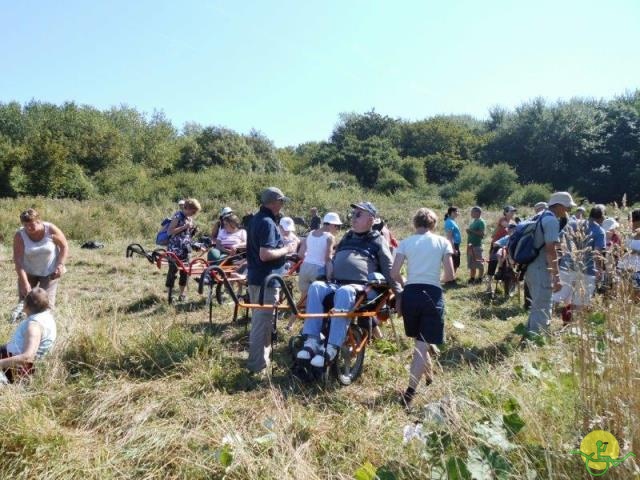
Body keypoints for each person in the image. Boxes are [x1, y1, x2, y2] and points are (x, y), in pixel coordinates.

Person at [296, 201, 401, 367]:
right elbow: (334, 258)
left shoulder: (378, 240)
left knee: (345, 291)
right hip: (337, 283)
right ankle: (312, 341)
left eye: (359, 214)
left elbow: (389, 270)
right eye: (353, 214)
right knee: (316, 287)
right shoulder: (347, 237)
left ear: (371, 219)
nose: (353, 217)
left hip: (364, 288)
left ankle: (332, 346)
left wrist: (399, 294)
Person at [390, 208, 454, 408]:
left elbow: (394, 272)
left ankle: (430, 376)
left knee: (420, 342)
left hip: (410, 294)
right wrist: (437, 280)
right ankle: (410, 392)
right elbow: (451, 274)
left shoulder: (406, 242)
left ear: (414, 223)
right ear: (434, 224)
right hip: (432, 294)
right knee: (421, 345)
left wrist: (406, 281)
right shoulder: (443, 242)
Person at [246, 187, 297, 374]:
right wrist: (287, 249)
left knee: (263, 322)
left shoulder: (255, 220)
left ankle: (261, 362)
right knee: (262, 323)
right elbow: (265, 254)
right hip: (266, 281)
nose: (283, 205)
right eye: (282, 201)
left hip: (257, 278)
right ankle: (256, 367)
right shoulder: (267, 222)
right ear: (275, 202)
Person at [525, 191, 575, 334]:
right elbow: (550, 250)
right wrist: (556, 276)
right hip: (541, 267)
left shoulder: (540, 216)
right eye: (567, 207)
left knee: (537, 303)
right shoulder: (552, 221)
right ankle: (536, 338)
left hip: (530, 265)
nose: (568, 210)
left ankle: (530, 332)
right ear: (558, 205)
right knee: (543, 305)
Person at [12, 209, 69, 322]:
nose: (28, 228)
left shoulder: (50, 229)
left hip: (49, 272)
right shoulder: (20, 235)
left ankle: (43, 328)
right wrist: (24, 282)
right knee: (26, 301)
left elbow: (64, 246)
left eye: (31, 224)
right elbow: (18, 260)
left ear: (39, 221)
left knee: (45, 303)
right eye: (25, 225)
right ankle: (22, 327)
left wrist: (60, 265)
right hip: (28, 271)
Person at [1, 288, 56, 385]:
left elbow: (27, 357)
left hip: (18, 370)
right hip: (15, 359)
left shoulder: (34, 326)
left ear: (26, 305)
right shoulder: (46, 317)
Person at [297, 212, 342, 296]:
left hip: (304, 267)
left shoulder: (311, 233)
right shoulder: (330, 237)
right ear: (332, 224)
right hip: (318, 270)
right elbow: (328, 259)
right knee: (317, 299)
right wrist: (329, 278)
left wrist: (311, 259)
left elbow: (301, 253)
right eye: (337, 226)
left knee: (304, 297)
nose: (337, 229)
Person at [165, 198, 201, 302]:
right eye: (193, 211)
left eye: (195, 212)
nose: (194, 214)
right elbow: (170, 232)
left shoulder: (189, 218)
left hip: (186, 249)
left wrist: (193, 230)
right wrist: (184, 227)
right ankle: (170, 295)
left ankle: (182, 295)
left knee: (185, 273)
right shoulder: (177, 216)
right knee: (173, 271)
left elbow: (186, 235)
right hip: (175, 250)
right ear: (187, 208)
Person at [487, 206, 517, 294]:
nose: (512, 213)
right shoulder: (503, 220)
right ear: (506, 212)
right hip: (497, 244)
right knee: (492, 263)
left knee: (509, 263)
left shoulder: (512, 221)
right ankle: (489, 285)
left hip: (508, 245)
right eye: (511, 211)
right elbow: (509, 227)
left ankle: (506, 281)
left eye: (513, 212)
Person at [466, 206, 486, 284]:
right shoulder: (474, 221)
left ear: (478, 213)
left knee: (479, 263)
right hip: (471, 245)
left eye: (473, 212)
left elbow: (482, 234)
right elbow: (473, 232)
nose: (471, 213)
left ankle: (480, 278)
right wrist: (469, 232)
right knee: (471, 263)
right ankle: (472, 278)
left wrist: (471, 230)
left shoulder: (481, 222)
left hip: (477, 245)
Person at [443, 206, 462, 275]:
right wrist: (453, 249)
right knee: (455, 262)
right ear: (452, 212)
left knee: (456, 262)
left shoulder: (452, 221)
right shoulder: (449, 222)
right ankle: (450, 279)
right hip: (453, 245)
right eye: (457, 211)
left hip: (455, 244)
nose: (458, 213)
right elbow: (449, 237)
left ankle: (451, 277)